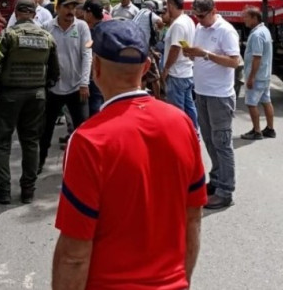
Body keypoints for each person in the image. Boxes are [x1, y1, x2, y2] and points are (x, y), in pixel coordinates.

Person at [52, 20, 206, 290]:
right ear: (146, 67)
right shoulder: (182, 123)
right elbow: (193, 218)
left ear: (95, 68)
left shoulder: (88, 140)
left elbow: (74, 255)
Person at [0, 0, 60, 204]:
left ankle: (3, 190)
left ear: (16, 13)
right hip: (37, 96)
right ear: (34, 14)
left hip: (9, 95)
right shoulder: (47, 37)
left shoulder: (7, 35)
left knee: (0, 141)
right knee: (31, 141)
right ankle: (28, 191)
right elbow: (54, 72)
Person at [182, 0, 242, 209]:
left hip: (220, 95)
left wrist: (205, 54)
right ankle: (217, 180)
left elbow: (234, 62)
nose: (199, 19)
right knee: (209, 140)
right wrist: (192, 54)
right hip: (203, 91)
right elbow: (200, 55)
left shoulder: (225, 31)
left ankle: (226, 190)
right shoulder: (200, 29)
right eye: (196, 15)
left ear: (213, 10)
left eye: (202, 15)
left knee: (222, 143)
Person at [39, 0, 93, 174]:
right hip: (53, 89)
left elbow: (87, 55)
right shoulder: (47, 28)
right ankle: (37, 165)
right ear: (57, 9)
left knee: (83, 131)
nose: (71, 11)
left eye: (73, 7)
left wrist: (85, 83)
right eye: (67, 7)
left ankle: (83, 168)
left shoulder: (83, 27)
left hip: (78, 88)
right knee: (45, 131)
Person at [161, 0, 198, 128]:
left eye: (167, 5)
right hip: (186, 71)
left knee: (177, 110)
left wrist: (166, 69)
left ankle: (181, 135)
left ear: (171, 5)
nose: (166, 8)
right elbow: (184, 45)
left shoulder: (178, 25)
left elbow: (175, 48)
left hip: (177, 73)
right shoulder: (188, 20)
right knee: (189, 106)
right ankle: (194, 131)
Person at [240, 6, 276, 140]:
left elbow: (257, 57)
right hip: (265, 74)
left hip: (257, 75)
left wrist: (251, 77)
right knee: (266, 100)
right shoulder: (264, 30)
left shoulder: (256, 35)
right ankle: (270, 128)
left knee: (251, 103)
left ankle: (256, 131)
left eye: (246, 17)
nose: (244, 20)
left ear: (254, 18)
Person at [80, 0, 106, 116]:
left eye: (84, 12)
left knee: (94, 107)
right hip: (105, 74)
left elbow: (88, 49)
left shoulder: (93, 32)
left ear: (89, 13)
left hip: (94, 74)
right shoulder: (106, 28)